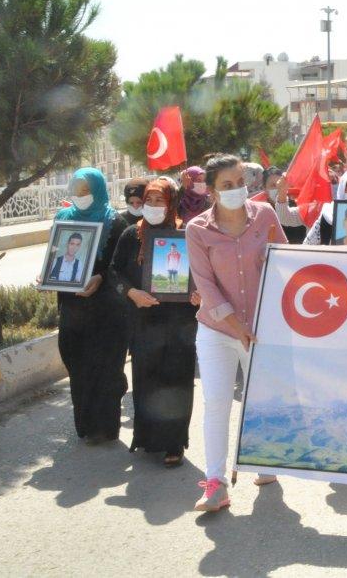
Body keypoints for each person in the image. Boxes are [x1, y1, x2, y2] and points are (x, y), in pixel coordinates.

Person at [187, 153, 288, 513]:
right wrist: (236, 326)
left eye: (239, 183)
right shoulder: (198, 229)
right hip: (217, 330)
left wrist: (272, 262)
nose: (235, 190)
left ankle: (262, 461)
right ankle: (215, 483)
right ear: (212, 191)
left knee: (261, 399)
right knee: (216, 402)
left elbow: (285, 262)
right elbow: (207, 287)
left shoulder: (265, 215)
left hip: (262, 328)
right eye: (226, 185)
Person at [108, 178, 197, 466]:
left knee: (177, 381)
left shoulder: (187, 234)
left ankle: (174, 443)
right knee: (147, 381)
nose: (153, 207)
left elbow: (204, 271)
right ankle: (147, 438)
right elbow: (113, 272)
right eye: (149, 201)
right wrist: (132, 293)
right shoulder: (132, 235)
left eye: (160, 201)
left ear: (171, 203)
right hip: (144, 321)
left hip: (180, 324)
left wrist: (199, 292)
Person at [52, 168, 127, 445]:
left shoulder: (114, 223)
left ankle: (105, 428)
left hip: (106, 309)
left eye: (85, 191)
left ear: (97, 190)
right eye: (76, 190)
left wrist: (101, 277)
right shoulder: (63, 218)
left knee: (106, 366)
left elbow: (120, 266)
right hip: (72, 309)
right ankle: (85, 424)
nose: (80, 196)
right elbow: (55, 256)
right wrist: (47, 274)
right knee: (79, 365)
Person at [263, 167, 307, 244]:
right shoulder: (261, 212)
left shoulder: (296, 206)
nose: (278, 188)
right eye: (273, 185)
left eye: (280, 184)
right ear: (265, 189)